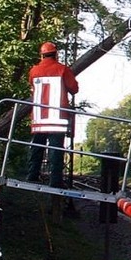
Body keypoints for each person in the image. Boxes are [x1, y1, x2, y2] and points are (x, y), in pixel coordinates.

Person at [25, 41, 79, 187]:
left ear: (41, 55)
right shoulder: (62, 69)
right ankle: (55, 180)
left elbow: (31, 85)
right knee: (56, 150)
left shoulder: (33, 71)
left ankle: (32, 175)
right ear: (56, 54)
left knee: (36, 147)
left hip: (39, 117)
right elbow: (74, 89)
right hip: (57, 118)